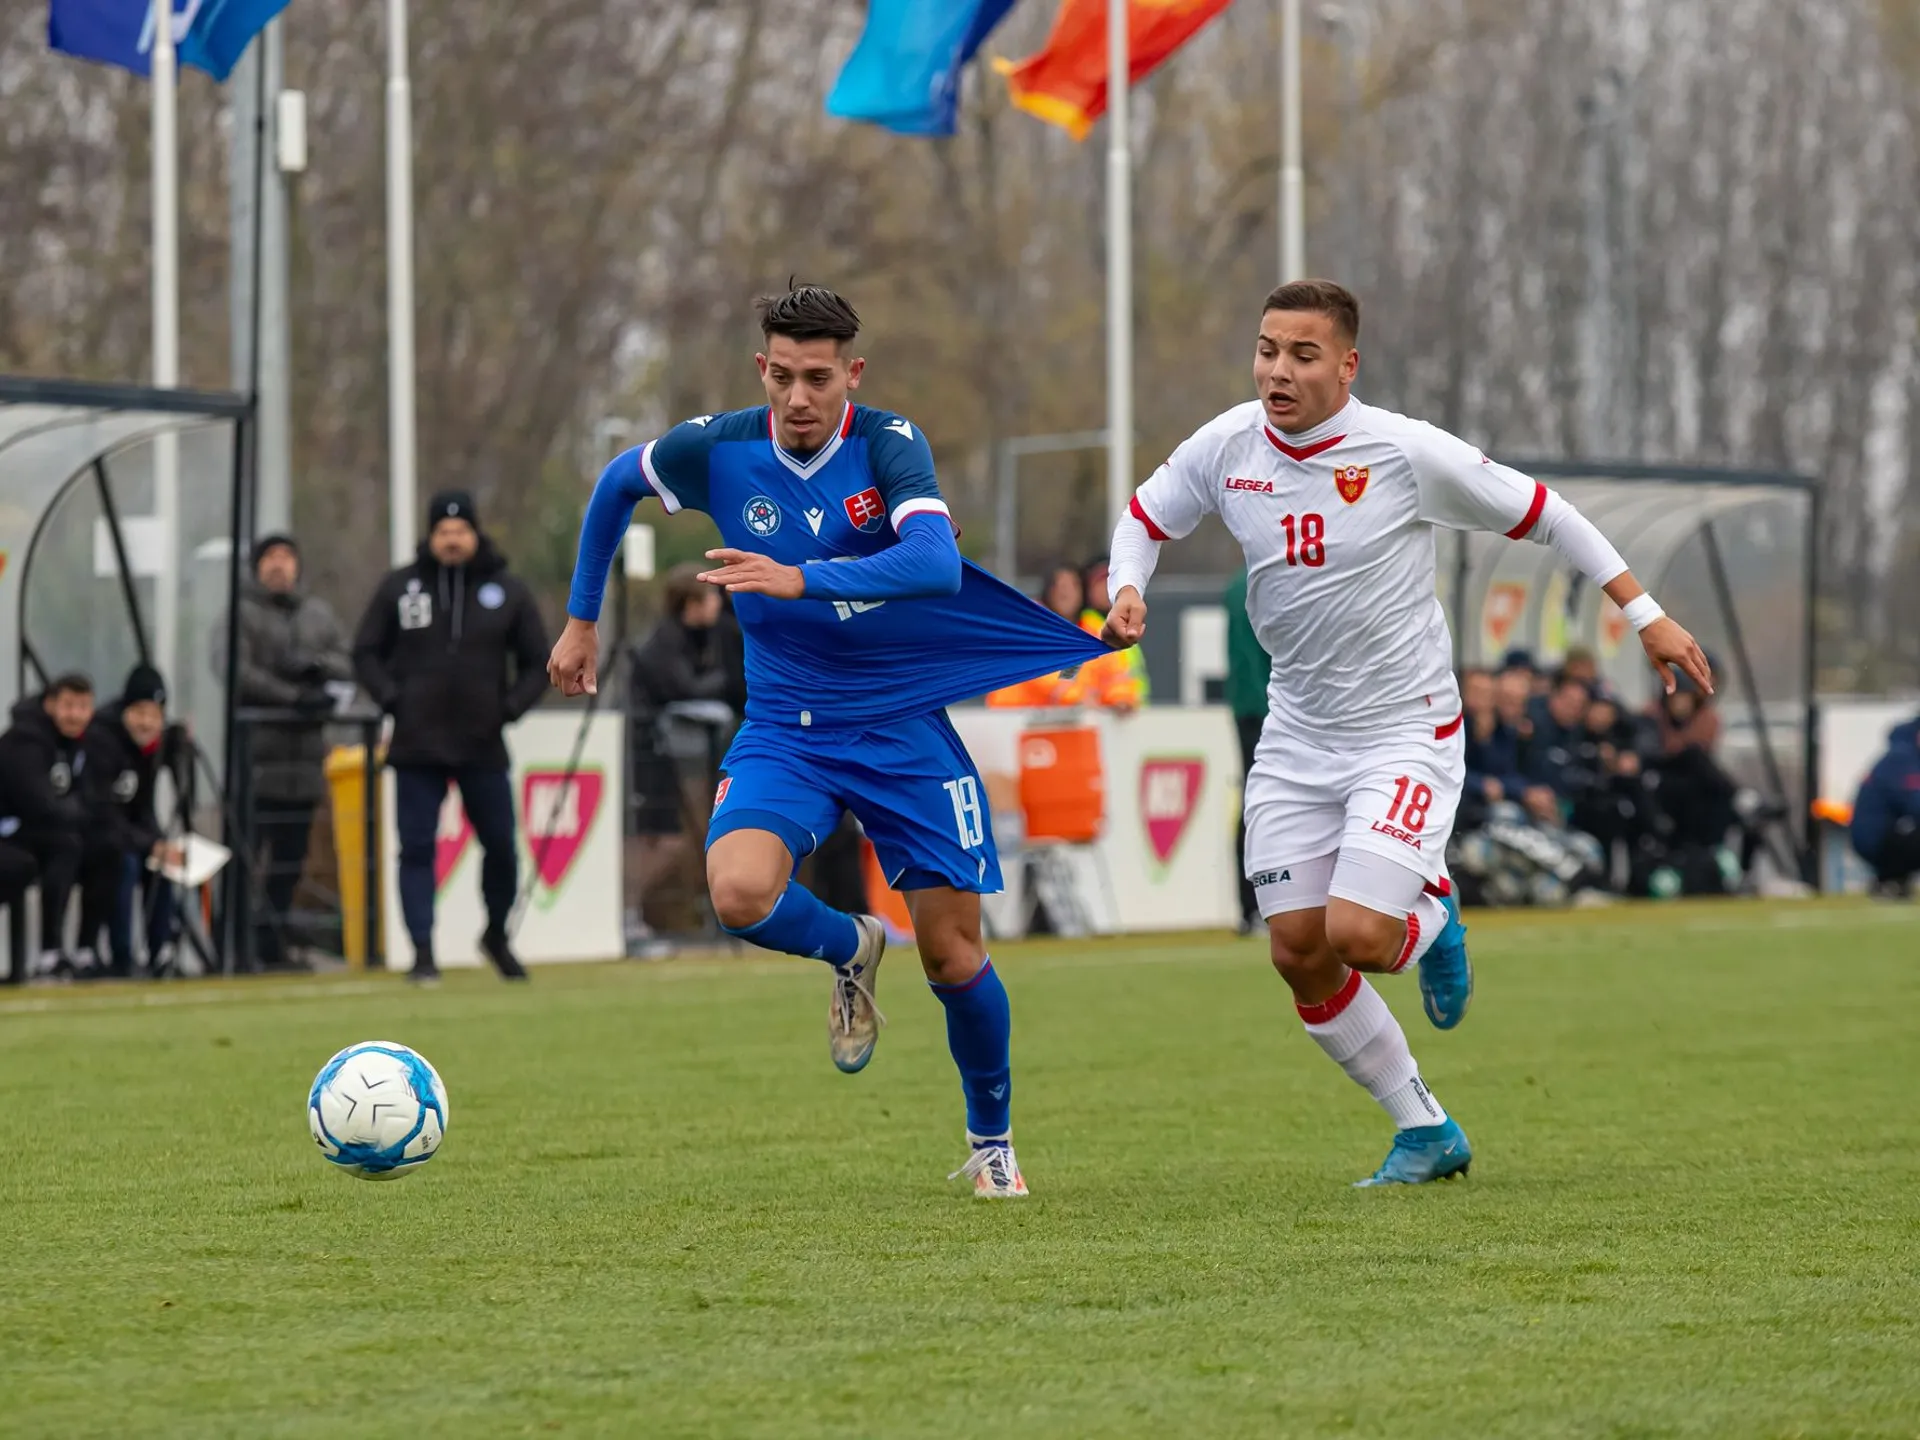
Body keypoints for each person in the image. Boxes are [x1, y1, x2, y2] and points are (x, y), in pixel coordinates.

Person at [1101, 279, 1710, 1185]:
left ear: (1348, 365)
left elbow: (1549, 515)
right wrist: (1127, 587)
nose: (1277, 371)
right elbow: (1146, 517)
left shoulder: (1402, 450)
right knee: (1296, 951)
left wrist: (1645, 614)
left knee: (1355, 933)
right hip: (1296, 737)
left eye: (1303, 354)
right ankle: (1425, 1128)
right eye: (1267, 350)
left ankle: (1436, 916)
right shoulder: (1226, 446)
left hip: (1403, 732)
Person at [548, 284, 1108, 1198]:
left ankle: (992, 1140)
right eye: (782, 376)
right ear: (760, 369)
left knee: (952, 955)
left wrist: (797, 577)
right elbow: (617, 484)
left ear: (853, 373)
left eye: (818, 377)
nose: (798, 396)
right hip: (788, 730)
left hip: (898, 724)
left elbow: (934, 562)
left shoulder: (889, 443)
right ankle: (851, 946)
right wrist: (581, 622)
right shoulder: (719, 448)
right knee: (737, 892)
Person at [353, 490, 550, 984]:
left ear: (476, 534)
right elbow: (365, 652)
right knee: (416, 849)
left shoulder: (507, 590)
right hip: (416, 744)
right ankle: (422, 951)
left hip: (482, 743)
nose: (452, 539)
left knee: (501, 847)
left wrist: (508, 709)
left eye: (461, 531)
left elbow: (538, 661)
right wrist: (393, 699)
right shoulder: (400, 587)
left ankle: (496, 934)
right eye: (443, 531)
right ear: (431, 535)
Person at [219, 533, 353, 970]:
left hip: (304, 763)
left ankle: (271, 946)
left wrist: (316, 668)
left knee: (290, 861)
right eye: (270, 558)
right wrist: (292, 697)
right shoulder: (241, 613)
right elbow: (234, 669)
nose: (279, 565)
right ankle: (235, 947)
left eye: (286, 557)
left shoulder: (317, 614)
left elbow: (347, 660)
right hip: (256, 760)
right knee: (247, 856)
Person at [79, 665, 183, 976]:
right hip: (92, 838)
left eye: (155, 715)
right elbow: (103, 811)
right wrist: (150, 844)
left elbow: (143, 808)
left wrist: (158, 843)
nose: (147, 722)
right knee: (124, 864)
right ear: (126, 709)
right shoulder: (101, 740)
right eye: (140, 712)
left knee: (162, 864)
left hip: (127, 836)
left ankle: (161, 951)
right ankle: (121, 955)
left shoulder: (152, 749)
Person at [0, 674, 92, 976]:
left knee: (88, 847)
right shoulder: (23, 741)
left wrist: (77, 810)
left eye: (83, 706)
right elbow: (38, 804)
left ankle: (62, 952)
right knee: (24, 863)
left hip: (35, 834)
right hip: (11, 832)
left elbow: (92, 800)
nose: (75, 715)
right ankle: (35, 957)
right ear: (50, 704)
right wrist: (78, 809)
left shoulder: (81, 744)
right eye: (68, 705)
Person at [1222, 567, 1269, 930]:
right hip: (1271, 708)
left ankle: (1250, 905)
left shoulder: (1237, 586)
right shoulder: (1266, 577)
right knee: (1266, 805)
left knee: (1254, 804)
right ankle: (1258, 903)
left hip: (1249, 707)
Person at [1850, 714, 1920, 897]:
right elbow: (1915, 804)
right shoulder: (1903, 759)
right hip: (1876, 838)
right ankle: (1891, 878)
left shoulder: (1904, 755)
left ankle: (1891, 880)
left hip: (1882, 835)